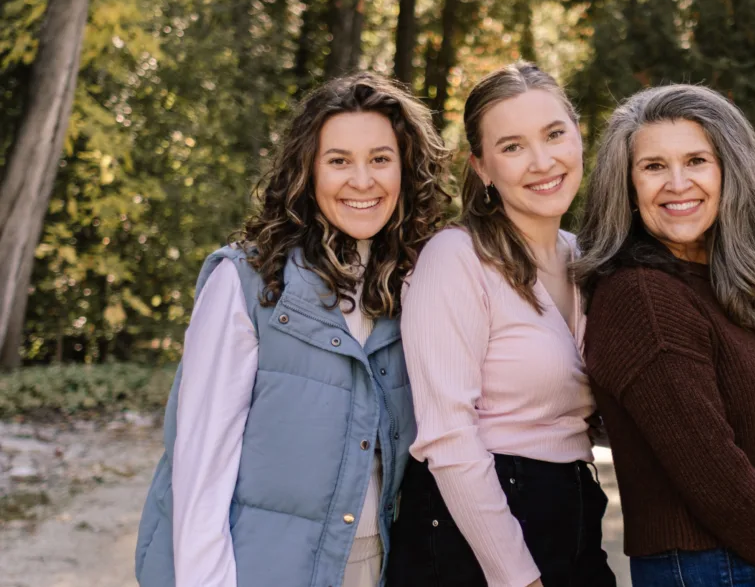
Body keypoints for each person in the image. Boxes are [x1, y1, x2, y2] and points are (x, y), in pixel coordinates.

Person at [134, 72, 451, 587]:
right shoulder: (244, 281)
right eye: (339, 160)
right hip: (255, 569)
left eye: (380, 159)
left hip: (374, 566)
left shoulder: (411, 290)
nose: (363, 180)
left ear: (405, 168)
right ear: (308, 169)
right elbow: (198, 468)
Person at [574, 84, 755, 587]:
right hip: (712, 569)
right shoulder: (644, 298)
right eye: (653, 166)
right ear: (628, 187)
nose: (678, 183)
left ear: (728, 171)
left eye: (696, 160)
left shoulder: (721, 288)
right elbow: (715, 477)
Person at [387, 62, 617, 587]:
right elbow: (448, 435)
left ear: (579, 136)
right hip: (473, 534)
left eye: (555, 134)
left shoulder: (585, 261)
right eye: (512, 147)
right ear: (483, 167)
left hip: (574, 508)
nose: (542, 161)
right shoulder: (456, 258)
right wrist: (517, 577)